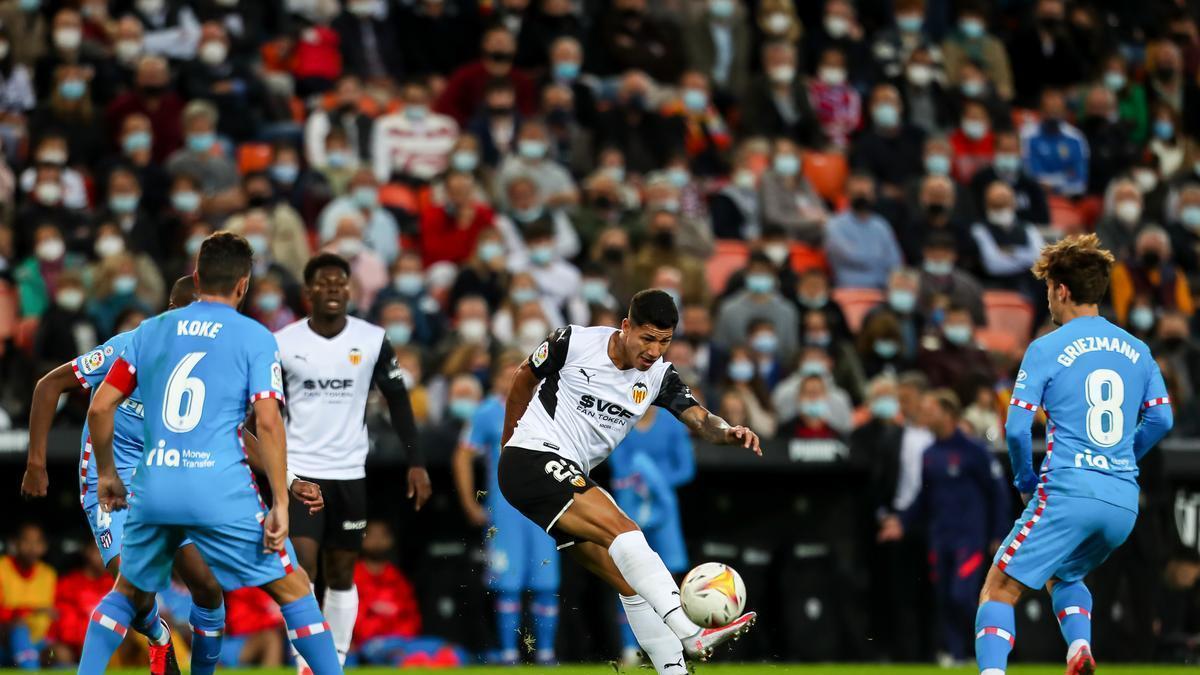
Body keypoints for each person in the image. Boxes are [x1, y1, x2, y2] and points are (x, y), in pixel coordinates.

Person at [74, 232, 343, 675]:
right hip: (219, 487)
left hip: (154, 486)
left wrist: (106, 473)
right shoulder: (254, 337)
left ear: (196, 277)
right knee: (293, 588)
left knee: (125, 594)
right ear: (244, 284)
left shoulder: (149, 331)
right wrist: (280, 499)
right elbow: (269, 422)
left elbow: (101, 406)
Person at [499, 290, 758, 673]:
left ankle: (674, 671)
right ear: (626, 327)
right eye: (648, 338)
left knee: (630, 580)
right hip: (532, 457)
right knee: (626, 531)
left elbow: (701, 419)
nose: (654, 351)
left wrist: (727, 431)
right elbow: (524, 377)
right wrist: (510, 443)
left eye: (665, 341)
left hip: (565, 474)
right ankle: (689, 631)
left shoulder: (659, 377)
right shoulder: (574, 341)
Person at [974, 234, 1174, 675]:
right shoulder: (1138, 350)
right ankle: (1079, 647)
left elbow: (1016, 428)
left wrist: (1026, 480)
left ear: (1061, 290)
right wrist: (1122, 457)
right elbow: (1162, 420)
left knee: (999, 588)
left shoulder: (1046, 347)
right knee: (1062, 574)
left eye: (1048, 289)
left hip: (1068, 491)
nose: (1048, 298)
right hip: (1122, 502)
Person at [21, 276, 234, 675]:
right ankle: (157, 636)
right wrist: (36, 462)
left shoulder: (207, 367)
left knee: (207, 587)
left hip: (163, 485)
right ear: (173, 311)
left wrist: (287, 478)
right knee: (132, 585)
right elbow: (49, 386)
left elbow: (235, 433)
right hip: (107, 485)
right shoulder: (127, 347)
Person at [274, 253, 432, 670]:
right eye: (323, 284)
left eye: (339, 283)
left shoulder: (373, 338)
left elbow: (398, 399)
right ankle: (304, 661)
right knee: (302, 568)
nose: (332, 290)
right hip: (302, 472)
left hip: (349, 472)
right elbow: (267, 411)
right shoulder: (283, 342)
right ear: (307, 292)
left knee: (342, 571)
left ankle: (336, 659)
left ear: (349, 289)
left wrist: (416, 462)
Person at [878, 389, 1009, 665]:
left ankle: (982, 650)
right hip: (939, 537)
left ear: (948, 414)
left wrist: (999, 533)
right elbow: (923, 497)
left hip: (969, 537)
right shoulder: (930, 453)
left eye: (931, 410)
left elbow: (997, 493)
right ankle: (955, 654)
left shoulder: (974, 450)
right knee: (943, 597)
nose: (925, 414)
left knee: (962, 594)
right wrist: (901, 521)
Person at [454, 349, 559, 665]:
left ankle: (546, 654)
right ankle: (510, 654)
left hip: (543, 505)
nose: (512, 378)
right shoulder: (486, 412)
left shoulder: (547, 407)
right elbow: (462, 456)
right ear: (498, 378)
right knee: (507, 583)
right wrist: (469, 502)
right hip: (505, 508)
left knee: (546, 583)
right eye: (506, 373)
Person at [0, 523, 54, 670]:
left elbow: (54, 615)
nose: (32, 547)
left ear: (44, 546)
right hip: (5, 641)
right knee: (19, 628)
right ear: (15, 543)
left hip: (38, 642)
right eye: (26, 541)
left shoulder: (49, 574)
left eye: (37, 542)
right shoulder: (2, 568)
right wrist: (31, 611)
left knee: (59, 654)